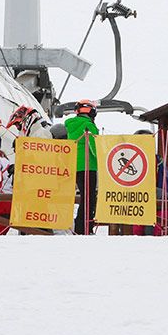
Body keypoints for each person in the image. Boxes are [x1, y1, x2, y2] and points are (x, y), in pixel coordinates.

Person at [66, 99, 100, 234]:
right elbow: (94, 147)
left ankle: (80, 226)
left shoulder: (71, 126)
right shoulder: (88, 125)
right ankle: (85, 227)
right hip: (88, 165)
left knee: (84, 198)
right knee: (89, 198)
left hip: (74, 165)